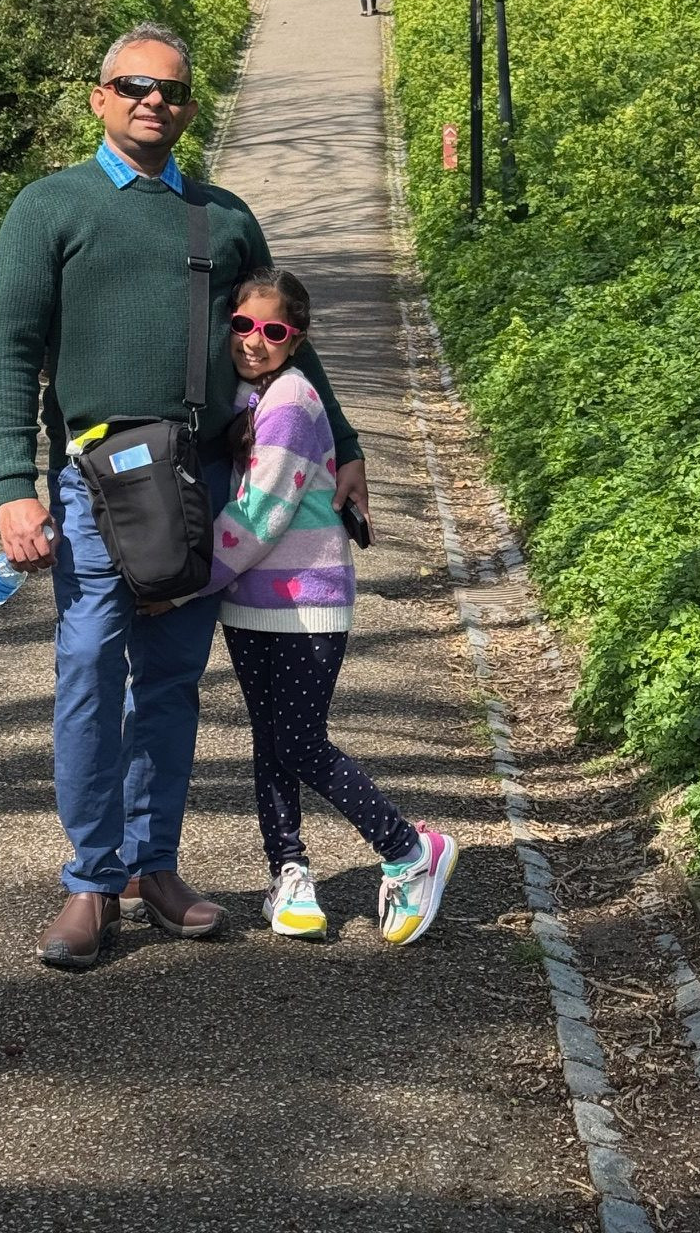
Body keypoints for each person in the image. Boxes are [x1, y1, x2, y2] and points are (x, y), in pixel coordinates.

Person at [0, 22, 369, 971]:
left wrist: (346, 443)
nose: (153, 100)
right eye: (133, 86)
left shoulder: (223, 217)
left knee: (169, 682)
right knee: (88, 669)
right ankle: (91, 878)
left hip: (200, 482)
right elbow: (12, 351)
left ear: (190, 108)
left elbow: (285, 337)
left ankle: (153, 866)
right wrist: (13, 487)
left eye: (171, 90)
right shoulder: (49, 206)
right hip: (93, 484)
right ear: (99, 98)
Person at [201, 265, 459, 945]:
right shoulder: (243, 395)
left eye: (272, 331)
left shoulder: (291, 399)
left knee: (300, 742)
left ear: (297, 339)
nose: (253, 340)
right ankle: (288, 872)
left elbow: (261, 512)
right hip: (250, 601)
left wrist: (188, 581)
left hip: (305, 601)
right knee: (270, 741)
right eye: (243, 325)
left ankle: (409, 848)